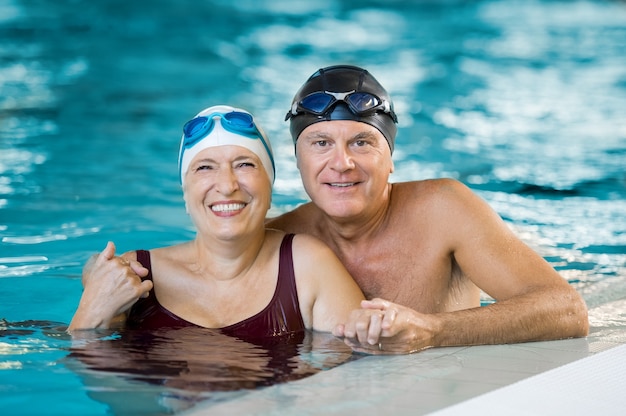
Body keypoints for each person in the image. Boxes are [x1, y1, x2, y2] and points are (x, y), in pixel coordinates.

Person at [267, 64, 589, 354]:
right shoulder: (278, 241)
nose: (342, 163)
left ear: (390, 159)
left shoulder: (443, 210)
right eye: (321, 143)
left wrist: (431, 330)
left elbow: (567, 309)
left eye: (362, 143)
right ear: (298, 160)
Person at [68, 105, 365, 339]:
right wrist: (90, 312)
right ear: (185, 194)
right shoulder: (134, 278)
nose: (226, 185)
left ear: (270, 185)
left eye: (245, 164)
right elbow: (92, 382)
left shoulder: (307, 266)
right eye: (204, 167)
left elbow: (363, 377)